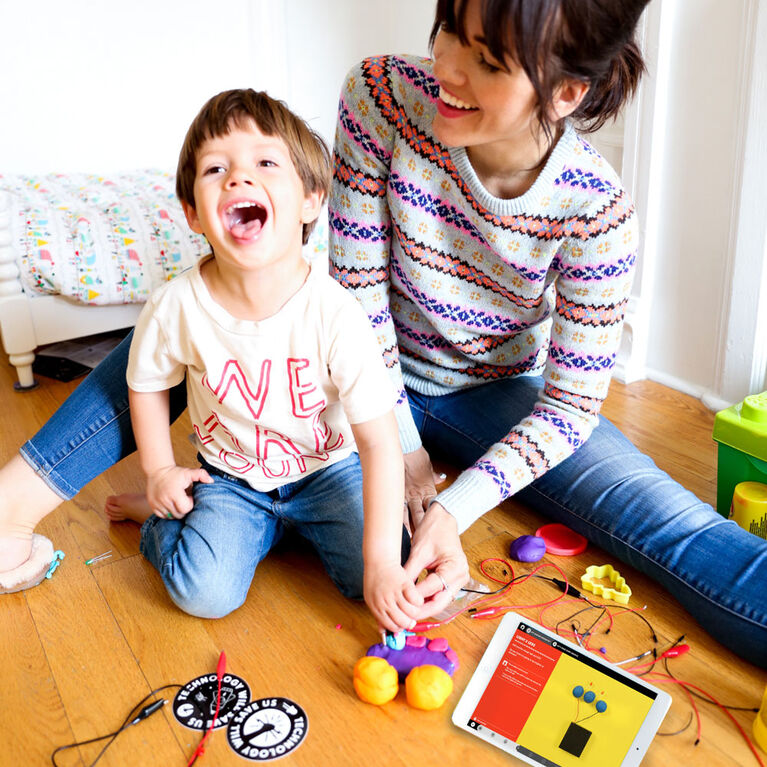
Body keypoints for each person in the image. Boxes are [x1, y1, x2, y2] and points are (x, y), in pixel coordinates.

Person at [1, 0, 765, 665]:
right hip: (351, 365)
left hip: (491, 396)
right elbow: (359, 295)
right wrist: (399, 451)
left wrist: (448, 508)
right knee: (190, 319)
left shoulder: (595, 210)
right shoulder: (380, 94)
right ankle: (10, 508)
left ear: (564, 93)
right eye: (447, 33)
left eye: (487, 60)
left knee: (674, 526)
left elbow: (567, 411)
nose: (445, 70)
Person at [3, 87, 424, 632]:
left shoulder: (336, 312)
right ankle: (161, 522)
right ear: (193, 214)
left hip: (327, 472)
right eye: (216, 169)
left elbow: (378, 443)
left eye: (266, 163)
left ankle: (292, 531)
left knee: (371, 572)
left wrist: (381, 566)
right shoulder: (177, 304)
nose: (238, 178)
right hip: (229, 480)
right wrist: (158, 473)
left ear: (312, 200)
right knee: (205, 594)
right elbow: (148, 385)